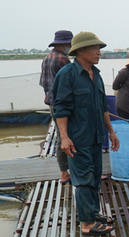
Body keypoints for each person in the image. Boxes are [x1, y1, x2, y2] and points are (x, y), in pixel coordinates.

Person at [52, 31, 120, 237]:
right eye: (95, 48)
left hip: (96, 137)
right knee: (82, 179)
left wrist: (111, 131)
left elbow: (103, 108)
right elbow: (60, 109)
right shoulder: (67, 74)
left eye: (99, 48)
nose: (99, 52)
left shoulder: (96, 75)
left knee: (94, 177)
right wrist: (64, 137)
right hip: (77, 139)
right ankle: (87, 224)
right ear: (80, 51)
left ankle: (93, 212)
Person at [39, 30, 73, 184]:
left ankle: (64, 171)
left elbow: (43, 84)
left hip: (51, 103)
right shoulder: (63, 60)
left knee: (61, 136)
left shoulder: (46, 58)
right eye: (70, 44)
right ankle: (66, 172)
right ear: (64, 44)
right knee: (65, 137)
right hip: (63, 105)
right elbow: (71, 85)